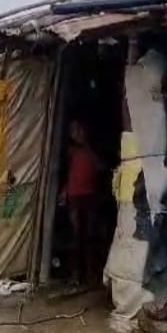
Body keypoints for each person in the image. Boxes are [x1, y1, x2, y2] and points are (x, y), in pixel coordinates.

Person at [60, 119, 105, 286]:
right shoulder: (70, 151)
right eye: (74, 130)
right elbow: (66, 174)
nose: (77, 133)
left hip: (90, 195)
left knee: (90, 236)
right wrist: (64, 191)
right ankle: (76, 274)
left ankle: (90, 274)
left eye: (79, 129)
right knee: (76, 236)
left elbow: (100, 167)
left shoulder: (91, 150)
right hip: (74, 196)